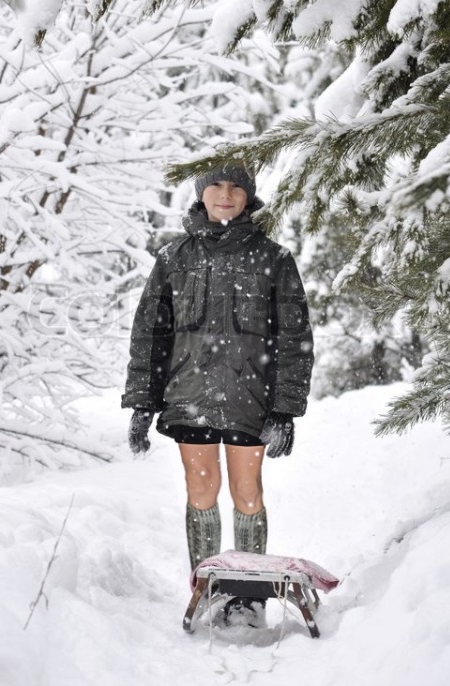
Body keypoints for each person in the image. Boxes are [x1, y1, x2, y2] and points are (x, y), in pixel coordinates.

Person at [122, 162, 314, 625]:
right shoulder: (173, 258)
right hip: (188, 391)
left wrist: (285, 409)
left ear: (248, 196)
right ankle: (207, 585)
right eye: (216, 186)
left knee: (247, 492)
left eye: (236, 187)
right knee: (201, 488)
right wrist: (142, 403)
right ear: (201, 194)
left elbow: (295, 337)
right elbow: (150, 333)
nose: (225, 194)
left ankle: (247, 597)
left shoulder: (274, 258)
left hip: (252, 396)